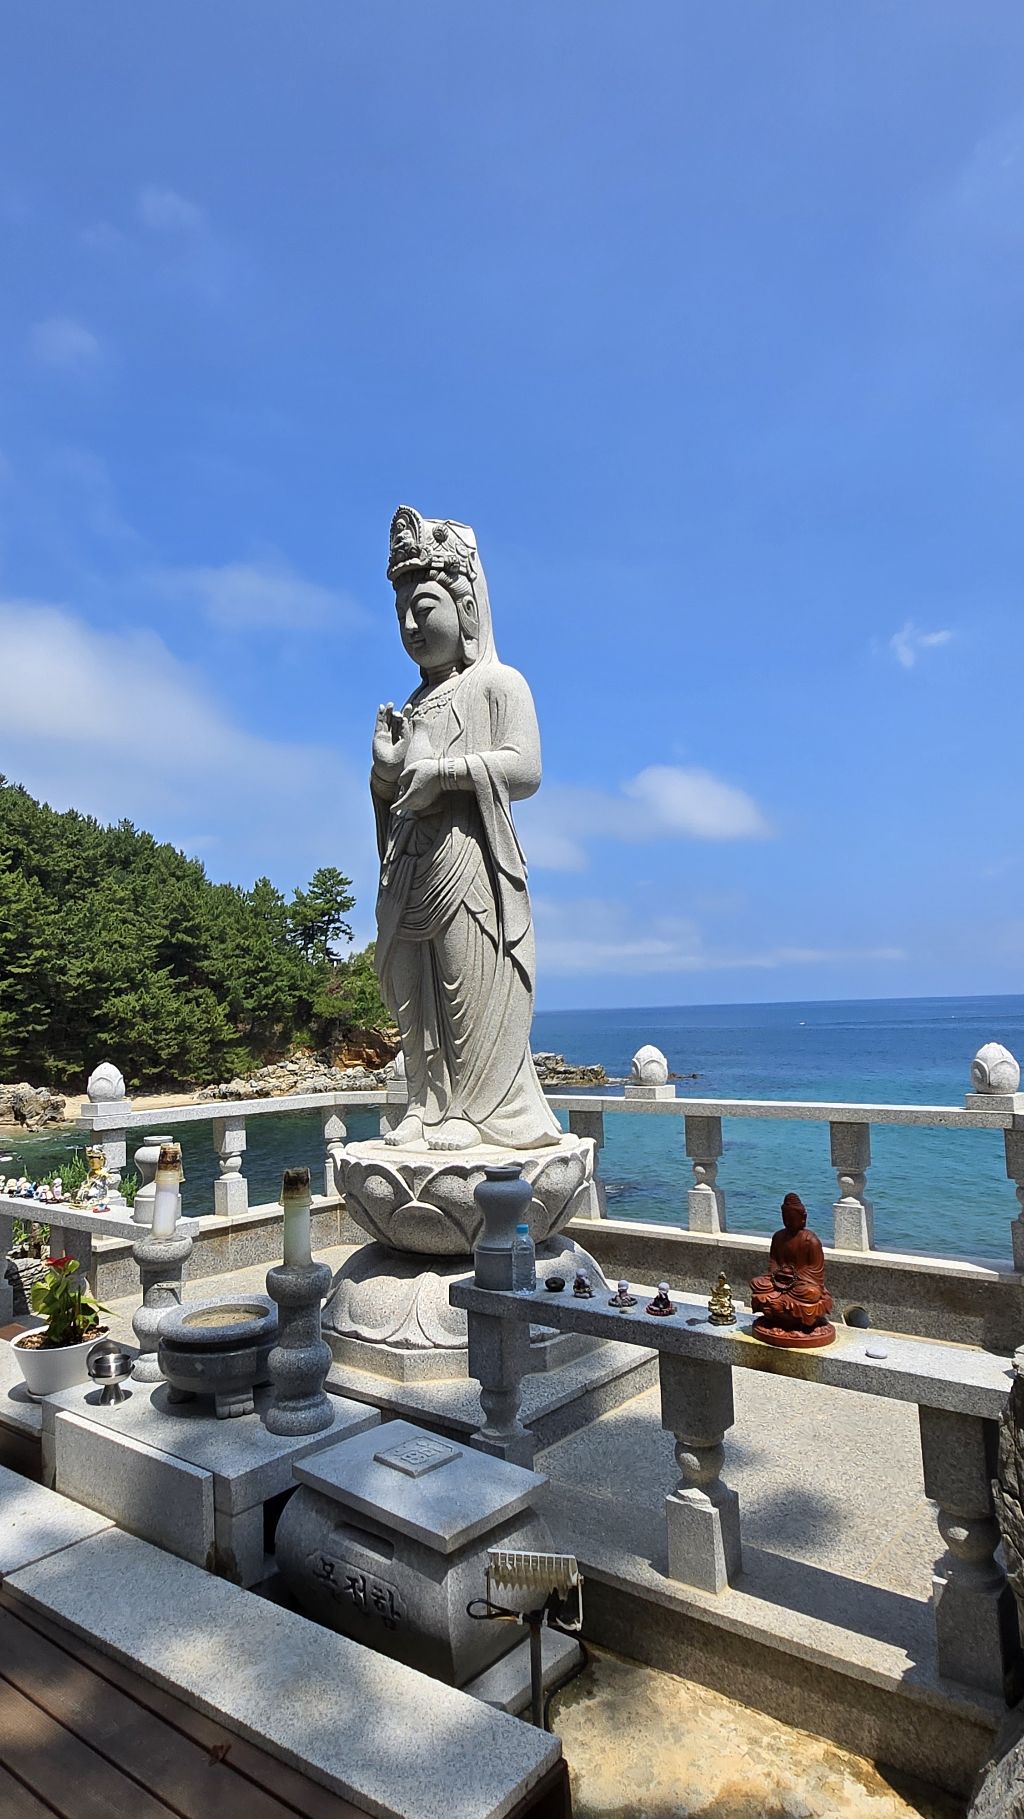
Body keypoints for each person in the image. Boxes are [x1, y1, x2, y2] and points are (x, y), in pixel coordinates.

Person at [370, 506, 561, 1154]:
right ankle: (424, 1103)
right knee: (411, 988)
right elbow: (396, 792)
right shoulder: (413, 703)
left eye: (423, 608)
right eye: (400, 613)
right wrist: (385, 771)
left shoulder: (498, 684)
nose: (409, 626)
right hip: (410, 867)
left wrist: (446, 775)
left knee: (464, 989)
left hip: (467, 863)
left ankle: (472, 1108)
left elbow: (525, 768)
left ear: (467, 607)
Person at [750, 1193, 834, 1340]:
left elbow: (815, 1271)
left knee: (811, 1293)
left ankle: (787, 1313)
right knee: (757, 1283)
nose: (788, 1221)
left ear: (803, 1218)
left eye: (792, 1217)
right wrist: (778, 1273)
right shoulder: (778, 1237)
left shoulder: (810, 1241)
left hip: (801, 1284)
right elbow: (773, 1262)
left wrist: (794, 1275)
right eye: (785, 1217)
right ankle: (779, 1308)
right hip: (779, 1279)